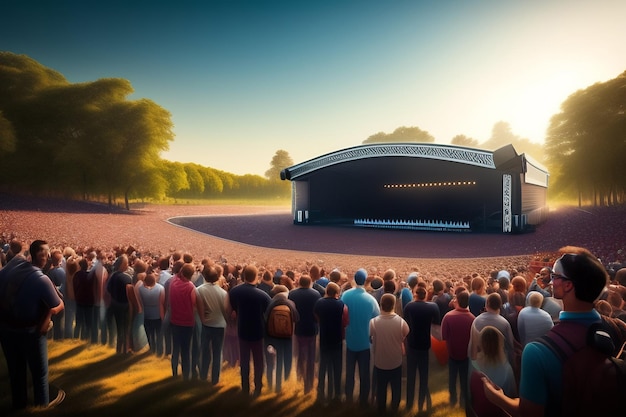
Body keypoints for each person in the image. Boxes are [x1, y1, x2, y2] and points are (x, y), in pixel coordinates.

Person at [482, 246, 613, 416]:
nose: (551, 281)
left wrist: (497, 397)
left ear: (567, 285)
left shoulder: (536, 352)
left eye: (555, 276)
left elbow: (529, 413)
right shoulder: (616, 330)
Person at [0, 239, 65, 409]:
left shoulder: (14, 267)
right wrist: (50, 313)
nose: (49, 255)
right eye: (47, 252)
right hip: (30, 332)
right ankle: (41, 406)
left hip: (6, 330)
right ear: (42, 256)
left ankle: (19, 405)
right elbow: (57, 304)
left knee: (16, 371)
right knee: (40, 374)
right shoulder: (41, 279)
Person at [226, 264, 271, 397]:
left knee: (244, 361)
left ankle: (245, 387)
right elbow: (268, 313)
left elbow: (232, 310)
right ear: (256, 277)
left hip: (243, 330)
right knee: (258, 361)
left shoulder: (234, 291)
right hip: (258, 331)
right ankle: (258, 387)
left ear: (244, 276)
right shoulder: (263, 296)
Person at [341, 268, 380, 407]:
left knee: (350, 372)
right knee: (364, 374)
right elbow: (377, 319)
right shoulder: (371, 300)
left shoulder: (345, 296)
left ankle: (349, 398)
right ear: (365, 281)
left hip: (350, 340)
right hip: (365, 343)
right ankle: (364, 400)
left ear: (354, 279)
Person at [370, 293, 410, 415]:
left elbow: (371, 336)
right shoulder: (401, 322)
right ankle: (394, 408)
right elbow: (406, 334)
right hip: (395, 361)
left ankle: (381, 409)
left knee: (381, 388)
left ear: (381, 305)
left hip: (380, 361)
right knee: (396, 387)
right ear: (393, 305)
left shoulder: (374, 322)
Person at [403, 285, 440, 412]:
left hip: (412, 344)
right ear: (425, 295)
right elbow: (436, 322)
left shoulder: (409, 306)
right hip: (425, 345)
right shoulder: (432, 307)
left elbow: (406, 323)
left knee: (411, 376)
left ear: (415, 294)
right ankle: (421, 404)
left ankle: (409, 403)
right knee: (424, 376)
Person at [314, 282, 349, 404]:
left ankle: (320, 393)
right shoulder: (341, 305)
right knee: (337, 368)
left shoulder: (319, 303)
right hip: (337, 340)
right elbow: (345, 321)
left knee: (323, 367)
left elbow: (316, 318)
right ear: (336, 293)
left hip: (324, 339)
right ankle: (337, 394)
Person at [441, 289, 475, 408]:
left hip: (453, 354)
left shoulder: (448, 317)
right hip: (466, 355)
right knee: (464, 379)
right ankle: (463, 401)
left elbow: (444, 336)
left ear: (458, 301)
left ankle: (453, 399)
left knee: (452, 378)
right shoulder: (472, 319)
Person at [288, 274, 321, 394]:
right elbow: (317, 313)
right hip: (311, 329)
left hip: (298, 328)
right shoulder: (316, 294)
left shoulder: (292, 294)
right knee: (311, 357)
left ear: (299, 283)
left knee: (300, 355)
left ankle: (299, 377)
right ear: (310, 283)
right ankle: (309, 384)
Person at [196, 264, 228, 384]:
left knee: (205, 351)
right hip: (220, 325)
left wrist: (203, 319)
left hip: (207, 324)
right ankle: (215, 379)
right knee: (217, 352)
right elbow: (226, 311)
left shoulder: (199, 290)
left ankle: (203, 375)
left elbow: (199, 308)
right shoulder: (223, 293)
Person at [264, 284, 298, 393]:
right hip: (286, 337)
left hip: (272, 336)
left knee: (270, 361)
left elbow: (265, 319)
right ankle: (279, 385)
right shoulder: (290, 303)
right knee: (282, 360)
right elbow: (296, 318)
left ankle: (269, 383)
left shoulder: (270, 303)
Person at [169, 262, 197, 380]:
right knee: (185, 350)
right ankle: (186, 375)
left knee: (175, 348)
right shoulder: (191, 287)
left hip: (175, 320)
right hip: (187, 322)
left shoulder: (174, 282)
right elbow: (194, 304)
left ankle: (174, 372)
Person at [106, 254, 133, 354]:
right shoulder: (127, 278)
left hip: (115, 305)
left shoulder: (113, 276)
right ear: (122, 265)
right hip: (124, 306)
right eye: (126, 263)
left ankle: (118, 350)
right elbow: (130, 293)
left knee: (119, 328)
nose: (127, 265)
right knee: (125, 329)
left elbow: (108, 289)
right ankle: (124, 351)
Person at [137, 269, 165, 356]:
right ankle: (159, 350)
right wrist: (162, 316)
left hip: (147, 314)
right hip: (157, 314)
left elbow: (140, 301)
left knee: (150, 333)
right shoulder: (160, 288)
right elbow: (161, 304)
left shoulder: (140, 289)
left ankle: (152, 348)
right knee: (159, 334)